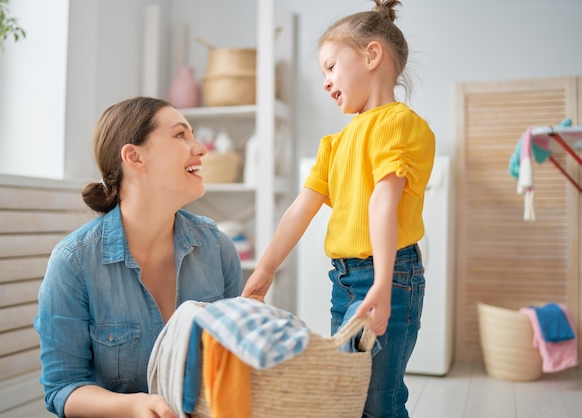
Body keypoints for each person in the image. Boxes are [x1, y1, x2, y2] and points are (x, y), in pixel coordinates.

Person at [242, 1, 435, 416]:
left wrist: (382, 283)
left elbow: (383, 202)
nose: (326, 82)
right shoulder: (335, 144)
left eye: (331, 67)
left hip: (391, 275)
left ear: (371, 55)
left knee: (377, 401)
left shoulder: (398, 124)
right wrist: (265, 268)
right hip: (345, 279)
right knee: (347, 392)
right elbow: (300, 209)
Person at [34, 97, 243, 418]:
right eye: (180, 135)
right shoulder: (73, 263)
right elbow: (63, 388)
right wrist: (134, 406)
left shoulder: (218, 248)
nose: (201, 148)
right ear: (134, 156)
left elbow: (235, 363)